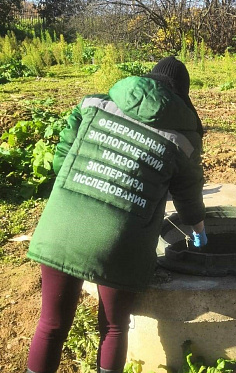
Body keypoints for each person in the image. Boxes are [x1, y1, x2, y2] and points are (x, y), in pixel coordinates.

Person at [26, 56, 208, 373]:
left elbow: (60, 163)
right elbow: (188, 197)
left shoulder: (93, 105)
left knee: (51, 325)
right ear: (182, 96)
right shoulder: (182, 139)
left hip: (62, 229)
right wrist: (199, 234)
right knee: (113, 328)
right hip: (120, 243)